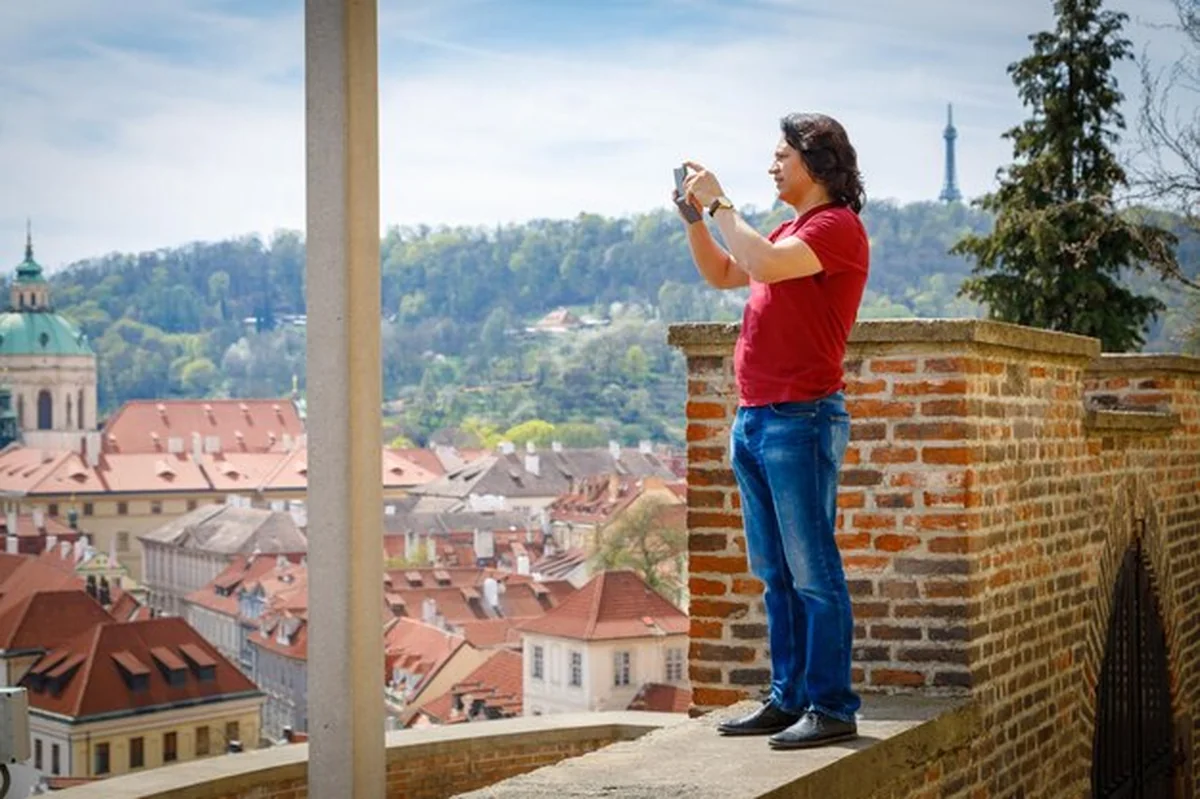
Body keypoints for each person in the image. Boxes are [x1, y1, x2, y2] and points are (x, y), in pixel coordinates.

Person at [676, 113, 869, 750]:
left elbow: (756, 259)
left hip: (801, 418)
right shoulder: (789, 229)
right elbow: (728, 273)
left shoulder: (836, 227)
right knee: (775, 573)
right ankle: (789, 700)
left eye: (782, 155)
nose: (772, 165)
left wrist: (721, 201)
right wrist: (695, 222)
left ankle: (832, 705)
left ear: (817, 163)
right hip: (757, 419)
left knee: (814, 572)